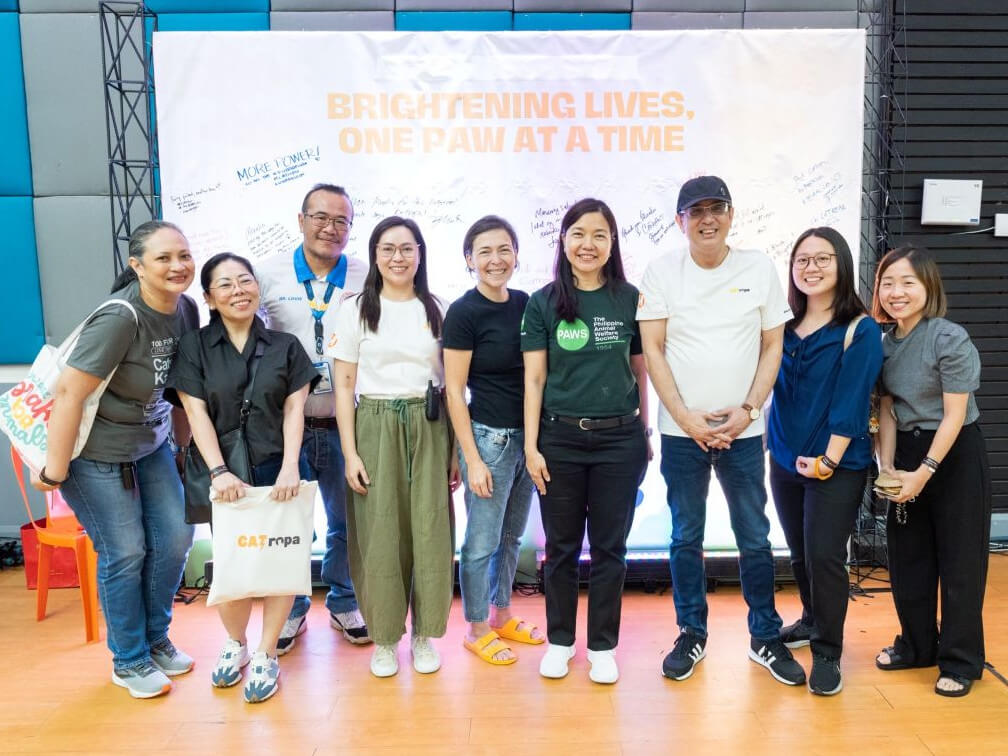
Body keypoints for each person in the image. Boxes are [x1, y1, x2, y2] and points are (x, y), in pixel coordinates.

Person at [637, 175, 805, 686]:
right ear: (680, 221)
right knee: (685, 536)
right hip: (680, 433)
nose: (707, 219)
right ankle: (691, 633)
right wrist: (686, 419)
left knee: (754, 536)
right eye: (696, 211)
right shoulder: (662, 271)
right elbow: (653, 351)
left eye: (717, 208)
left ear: (731, 215)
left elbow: (772, 345)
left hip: (745, 433)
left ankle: (765, 637)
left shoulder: (757, 266)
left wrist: (750, 410)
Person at [30, 220, 198, 699]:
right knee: (125, 551)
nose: (177, 266)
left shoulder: (185, 309)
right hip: (94, 457)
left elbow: (181, 390)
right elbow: (69, 393)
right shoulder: (122, 317)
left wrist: (184, 450)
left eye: (183, 255)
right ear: (136, 265)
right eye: (163, 257)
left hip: (150, 447)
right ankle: (128, 660)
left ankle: (155, 639)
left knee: (175, 539)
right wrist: (55, 470)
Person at [168, 253, 319, 703]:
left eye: (246, 281)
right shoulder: (194, 346)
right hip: (222, 474)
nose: (239, 291)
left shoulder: (285, 345)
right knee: (232, 561)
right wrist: (218, 470)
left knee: (281, 563)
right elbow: (194, 410)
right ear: (210, 296)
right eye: (227, 284)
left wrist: (292, 464)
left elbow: (295, 408)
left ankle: (268, 652)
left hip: (279, 468)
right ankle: (235, 645)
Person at [521, 198, 650, 685]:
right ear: (563, 241)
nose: (587, 244)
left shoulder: (630, 297)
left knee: (611, 548)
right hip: (559, 440)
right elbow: (534, 381)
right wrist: (532, 447)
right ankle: (559, 642)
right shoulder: (544, 302)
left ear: (612, 243)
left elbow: (641, 370)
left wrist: (645, 429)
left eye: (599, 234)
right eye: (578, 233)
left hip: (620, 440)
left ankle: (602, 646)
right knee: (561, 547)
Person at [329, 216, 460, 678]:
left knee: (430, 530)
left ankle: (425, 634)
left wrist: (454, 452)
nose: (398, 257)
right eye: (388, 249)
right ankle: (385, 638)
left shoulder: (438, 307)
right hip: (375, 423)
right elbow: (344, 387)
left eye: (407, 248)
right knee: (380, 532)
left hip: (429, 422)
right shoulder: (355, 310)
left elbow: (453, 385)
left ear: (420, 254)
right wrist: (350, 452)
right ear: (375, 255)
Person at [765, 227, 883, 696]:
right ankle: (812, 620)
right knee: (798, 552)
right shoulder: (783, 328)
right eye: (802, 260)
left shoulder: (860, 329)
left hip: (835, 464)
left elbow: (852, 404)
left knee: (825, 555)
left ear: (842, 266)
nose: (811, 268)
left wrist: (828, 462)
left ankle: (829, 651)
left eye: (822, 259)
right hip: (784, 459)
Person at [872, 244, 991, 698]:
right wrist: (887, 466)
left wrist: (923, 472)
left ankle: (960, 660)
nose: (896, 292)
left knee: (960, 563)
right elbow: (886, 410)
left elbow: (954, 415)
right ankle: (917, 646)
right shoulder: (883, 344)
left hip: (954, 453)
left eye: (907, 282)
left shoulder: (948, 337)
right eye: (887, 282)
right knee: (909, 558)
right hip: (906, 451)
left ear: (928, 287)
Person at [257, 183, 371, 653]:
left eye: (341, 221)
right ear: (300, 220)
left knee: (348, 523)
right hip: (290, 428)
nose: (331, 228)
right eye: (320, 217)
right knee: (289, 526)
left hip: (349, 424)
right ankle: (293, 609)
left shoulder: (368, 274)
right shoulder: (266, 276)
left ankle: (344, 601)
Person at [444, 215, 541, 666]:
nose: (495, 259)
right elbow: (454, 391)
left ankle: (502, 615)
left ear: (516, 255)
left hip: (527, 441)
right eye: (484, 251)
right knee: (481, 540)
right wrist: (471, 459)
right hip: (489, 440)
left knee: (511, 536)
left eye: (504, 249)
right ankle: (477, 626)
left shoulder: (526, 303)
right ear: (469, 260)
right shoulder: (463, 313)